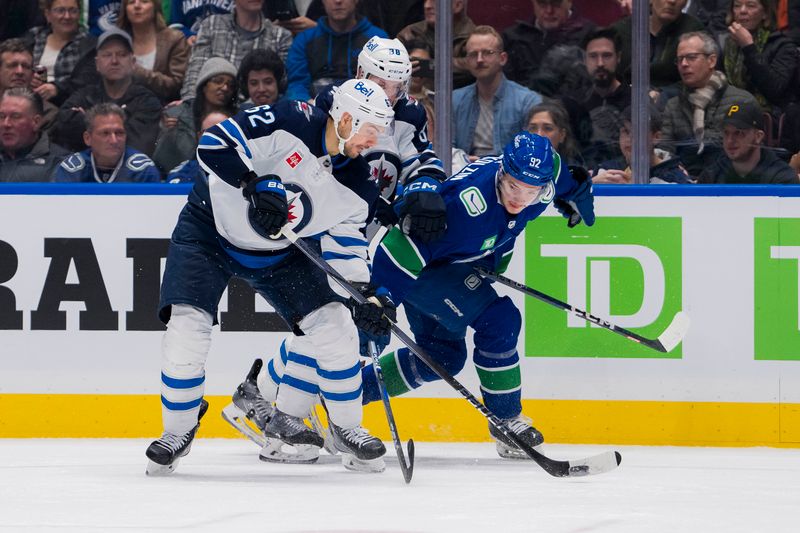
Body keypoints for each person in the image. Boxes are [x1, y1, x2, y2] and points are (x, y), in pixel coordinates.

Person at [144, 78, 396, 475]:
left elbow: (345, 247)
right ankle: (177, 430)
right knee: (186, 327)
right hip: (208, 233)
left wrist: (364, 296)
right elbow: (212, 145)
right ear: (347, 118)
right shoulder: (288, 120)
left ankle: (348, 428)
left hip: (283, 252)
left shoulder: (359, 184)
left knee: (336, 326)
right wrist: (253, 182)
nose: (375, 141)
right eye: (371, 129)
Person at [357, 132, 595, 459]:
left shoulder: (545, 179)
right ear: (501, 171)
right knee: (499, 320)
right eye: (513, 186)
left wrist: (574, 190)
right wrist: (381, 297)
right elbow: (401, 245)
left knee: (442, 357)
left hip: (452, 264)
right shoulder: (466, 207)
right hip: (422, 271)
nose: (519, 199)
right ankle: (507, 420)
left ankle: (343, 392)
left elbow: (558, 173)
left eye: (531, 191)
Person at [311, 37, 448, 242]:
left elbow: (421, 162)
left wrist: (423, 192)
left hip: (378, 232)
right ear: (360, 74)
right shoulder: (336, 101)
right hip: (327, 223)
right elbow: (323, 166)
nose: (390, 97)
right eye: (381, 85)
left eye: (398, 88)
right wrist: (371, 198)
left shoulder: (410, 113)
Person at [660, 31, 759, 178]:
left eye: (691, 57)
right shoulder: (673, 105)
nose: (684, 64)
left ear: (712, 61)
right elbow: (664, 151)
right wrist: (675, 171)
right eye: (679, 59)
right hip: (682, 185)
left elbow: (747, 155)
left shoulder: (740, 101)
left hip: (728, 184)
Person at [52, 28, 162, 155]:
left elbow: (138, 145)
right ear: (97, 64)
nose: (114, 61)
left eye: (121, 54)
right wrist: (122, 126)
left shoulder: (147, 101)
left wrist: (87, 120)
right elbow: (63, 125)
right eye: (107, 55)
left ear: (133, 63)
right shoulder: (85, 94)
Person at [452, 26, 542, 158]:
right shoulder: (454, 100)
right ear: (467, 61)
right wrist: (461, 160)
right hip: (465, 172)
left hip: (510, 175)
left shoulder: (527, 101)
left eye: (487, 53)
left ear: (503, 58)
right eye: (473, 54)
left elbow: (531, 153)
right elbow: (446, 149)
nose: (479, 60)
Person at [180, 0, 292, 100]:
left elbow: (281, 86)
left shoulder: (280, 36)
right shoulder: (212, 25)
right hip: (214, 109)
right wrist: (189, 103)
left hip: (257, 112)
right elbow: (195, 73)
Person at [284, 0, 387, 102]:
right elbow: (296, 84)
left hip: (366, 106)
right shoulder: (304, 39)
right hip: (314, 107)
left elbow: (385, 84)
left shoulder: (378, 40)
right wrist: (309, 105)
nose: (338, 1)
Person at [153, 57, 239, 174]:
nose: (225, 88)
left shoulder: (238, 118)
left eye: (230, 85)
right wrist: (167, 135)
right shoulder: (176, 115)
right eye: (218, 81)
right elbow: (161, 164)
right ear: (204, 85)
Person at [722, 0, 799, 114]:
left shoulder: (783, 45)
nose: (742, 11)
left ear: (765, 13)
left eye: (751, 5)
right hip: (732, 112)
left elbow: (774, 90)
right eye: (737, 6)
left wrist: (748, 47)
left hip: (770, 116)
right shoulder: (725, 44)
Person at [612, 0, 705, 94]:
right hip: (625, 100)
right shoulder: (621, 32)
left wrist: (662, 94)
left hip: (674, 101)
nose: (672, 1)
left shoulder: (693, 32)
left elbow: (699, 79)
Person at [53, 102, 160, 182]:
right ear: (88, 138)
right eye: (105, 133)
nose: (114, 141)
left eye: (119, 133)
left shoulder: (143, 170)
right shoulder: (72, 169)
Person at [698, 100, 799, 184]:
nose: (729, 140)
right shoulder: (711, 177)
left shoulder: (782, 178)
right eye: (726, 133)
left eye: (738, 133)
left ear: (758, 136)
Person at [502, 0, 597, 89]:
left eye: (556, 3)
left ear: (569, 2)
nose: (549, 11)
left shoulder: (590, 35)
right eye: (542, 3)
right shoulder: (512, 37)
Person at [593, 104, 691, 184]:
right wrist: (591, 185)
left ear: (656, 137)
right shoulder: (605, 171)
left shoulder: (675, 180)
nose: (630, 139)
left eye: (638, 132)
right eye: (626, 131)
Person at [116, 0, 190, 103]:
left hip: (164, 107)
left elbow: (177, 86)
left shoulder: (174, 39)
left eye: (144, 1)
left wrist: (137, 71)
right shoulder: (116, 41)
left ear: (155, 7)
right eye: (131, 2)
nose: (137, 6)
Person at [24, 0, 96, 104]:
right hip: (29, 100)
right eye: (60, 10)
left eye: (73, 11)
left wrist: (57, 88)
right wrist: (28, 76)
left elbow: (87, 80)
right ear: (47, 14)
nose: (67, 16)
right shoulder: (34, 36)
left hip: (68, 104)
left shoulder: (89, 44)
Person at [580, 27, 631, 167]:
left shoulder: (635, 101)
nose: (600, 63)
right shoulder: (577, 104)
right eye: (593, 56)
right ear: (584, 59)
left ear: (619, 57)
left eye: (607, 55)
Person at [397, 0, 476, 89]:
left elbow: (475, 64)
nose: (427, 6)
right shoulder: (411, 32)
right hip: (411, 96)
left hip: (458, 98)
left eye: (435, 1)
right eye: (426, 1)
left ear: (458, 5)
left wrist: (429, 65)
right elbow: (391, 61)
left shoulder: (475, 38)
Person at [0, 87, 69, 182]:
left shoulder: (61, 163)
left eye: (15, 117)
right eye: (1, 116)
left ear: (36, 122)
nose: (6, 124)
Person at [0, 39, 59, 131]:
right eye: (12, 65)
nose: (20, 72)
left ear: (32, 74)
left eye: (26, 66)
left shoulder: (48, 114)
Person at [165, 110, 231, 184]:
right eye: (208, 132)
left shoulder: (246, 169)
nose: (214, 138)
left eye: (221, 132)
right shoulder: (186, 169)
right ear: (199, 137)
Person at [526, 101, 582, 166]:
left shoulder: (575, 173)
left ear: (562, 135)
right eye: (533, 128)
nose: (539, 135)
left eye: (547, 128)